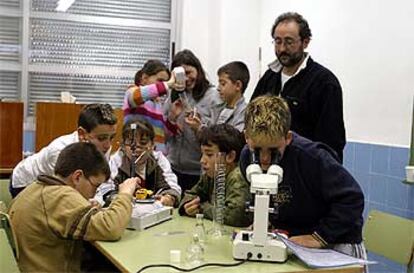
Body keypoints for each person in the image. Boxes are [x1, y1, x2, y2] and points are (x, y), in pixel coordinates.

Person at [240, 96, 366, 258]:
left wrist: (319, 237)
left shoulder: (312, 157)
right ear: (246, 138)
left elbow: (352, 198)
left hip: (336, 240)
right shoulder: (246, 158)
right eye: (257, 149)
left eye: (273, 151)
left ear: (288, 138)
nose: (264, 159)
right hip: (292, 239)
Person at [8, 142, 139, 273]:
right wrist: (125, 194)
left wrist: (85, 207)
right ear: (77, 177)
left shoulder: (37, 188)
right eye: (95, 186)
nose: (94, 193)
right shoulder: (60, 196)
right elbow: (111, 228)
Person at [251, 12, 345, 162]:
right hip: (265, 167)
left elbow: (331, 142)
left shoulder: (324, 83)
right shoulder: (269, 77)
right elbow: (252, 120)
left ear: (305, 42)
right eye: (277, 41)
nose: (282, 48)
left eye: (289, 42)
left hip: (305, 171)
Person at [10, 103, 118, 197]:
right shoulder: (60, 150)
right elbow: (63, 193)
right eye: (101, 138)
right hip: (24, 182)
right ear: (82, 134)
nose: (108, 145)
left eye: (112, 137)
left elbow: (99, 179)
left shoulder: (103, 147)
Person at [164, 49, 222, 194]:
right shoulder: (172, 95)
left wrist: (199, 128)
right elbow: (161, 135)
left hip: (200, 171)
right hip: (173, 169)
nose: (186, 78)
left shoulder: (212, 96)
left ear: (198, 70)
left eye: (189, 73)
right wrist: (171, 118)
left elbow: (219, 136)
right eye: (181, 75)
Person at [95, 117, 181, 207]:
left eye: (143, 143)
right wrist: (120, 198)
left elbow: (173, 187)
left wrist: (169, 198)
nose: (136, 149)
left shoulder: (158, 159)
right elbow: (105, 190)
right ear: (123, 145)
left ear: (152, 145)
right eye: (131, 143)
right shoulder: (116, 161)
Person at [178, 124, 251, 227]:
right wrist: (188, 205)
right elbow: (190, 194)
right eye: (202, 154)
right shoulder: (210, 175)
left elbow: (235, 216)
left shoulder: (238, 177)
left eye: (209, 154)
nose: (202, 161)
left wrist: (201, 208)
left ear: (230, 156)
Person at [185, 61, 249, 132]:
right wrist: (199, 122)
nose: (218, 88)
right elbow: (213, 131)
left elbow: (232, 140)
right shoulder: (219, 108)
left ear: (238, 85)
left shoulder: (244, 113)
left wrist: (200, 129)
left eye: (223, 84)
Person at [123, 60, 172, 154]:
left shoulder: (158, 104)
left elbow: (164, 135)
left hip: (156, 159)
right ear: (144, 78)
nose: (165, 87)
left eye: (166, 82)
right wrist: (168, 85)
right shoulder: (132, 91)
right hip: (136, 156)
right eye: (160, 81)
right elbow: (137, 96)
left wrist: (173, 116)